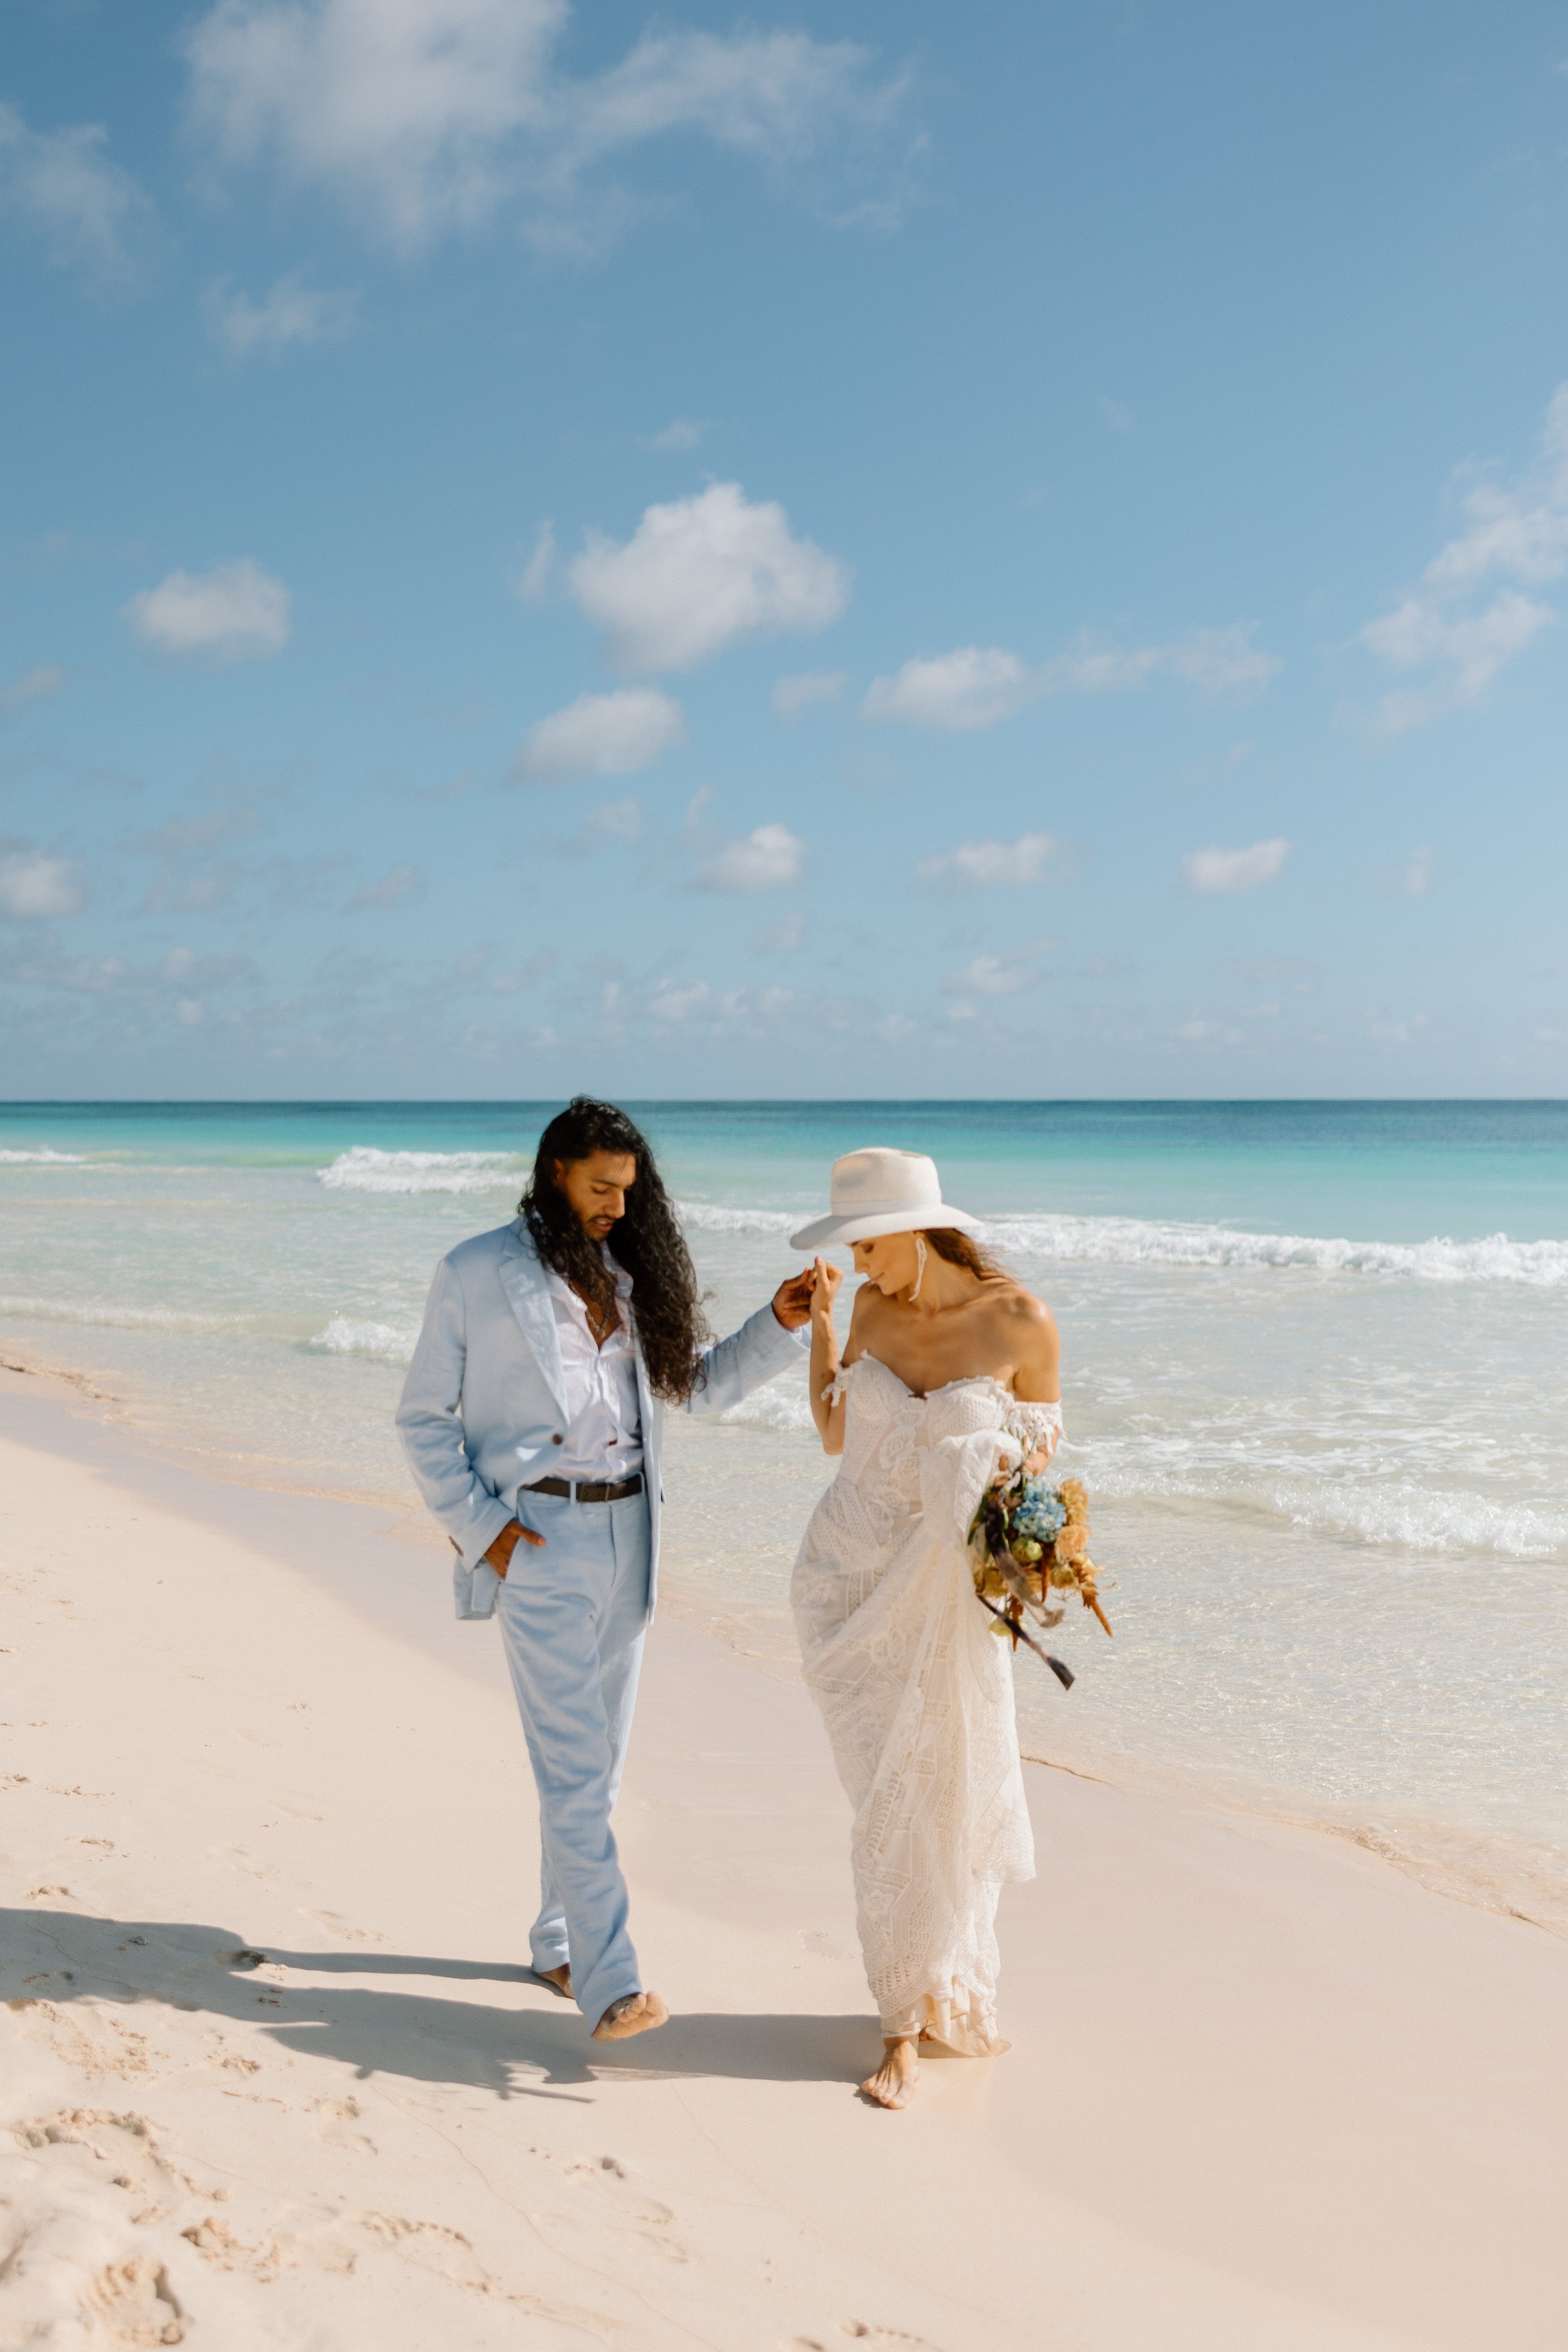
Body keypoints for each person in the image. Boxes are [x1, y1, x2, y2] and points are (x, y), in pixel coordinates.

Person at [396, 1098, 813, 2043]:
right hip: (537, 1540)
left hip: (633, 1537)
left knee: (598, 1767)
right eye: (600, 1187)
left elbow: (693, 1384)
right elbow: (421, 1418)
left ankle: (556, 1937)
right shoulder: (474, 1272)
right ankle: (612, 1982)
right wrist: (485, 1531)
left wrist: (778, 1322)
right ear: (554, 1173)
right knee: (576, 1769)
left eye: (628, 1190)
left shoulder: (627, 1275)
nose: (618, 1208)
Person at [789, 1147, 1062, 2109]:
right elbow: (834, 1433)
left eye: (867, 1245)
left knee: (936, 1797)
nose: (860, 1264)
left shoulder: (1022, 1322)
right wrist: (820, 1321)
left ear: (917, 1228)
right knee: (886, 1807)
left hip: (946, 1601)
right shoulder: (866, 1307)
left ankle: (920, 2007)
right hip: (844, 1582)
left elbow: (1034, 1488)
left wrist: (1031, 1567)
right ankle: (902, 2018)